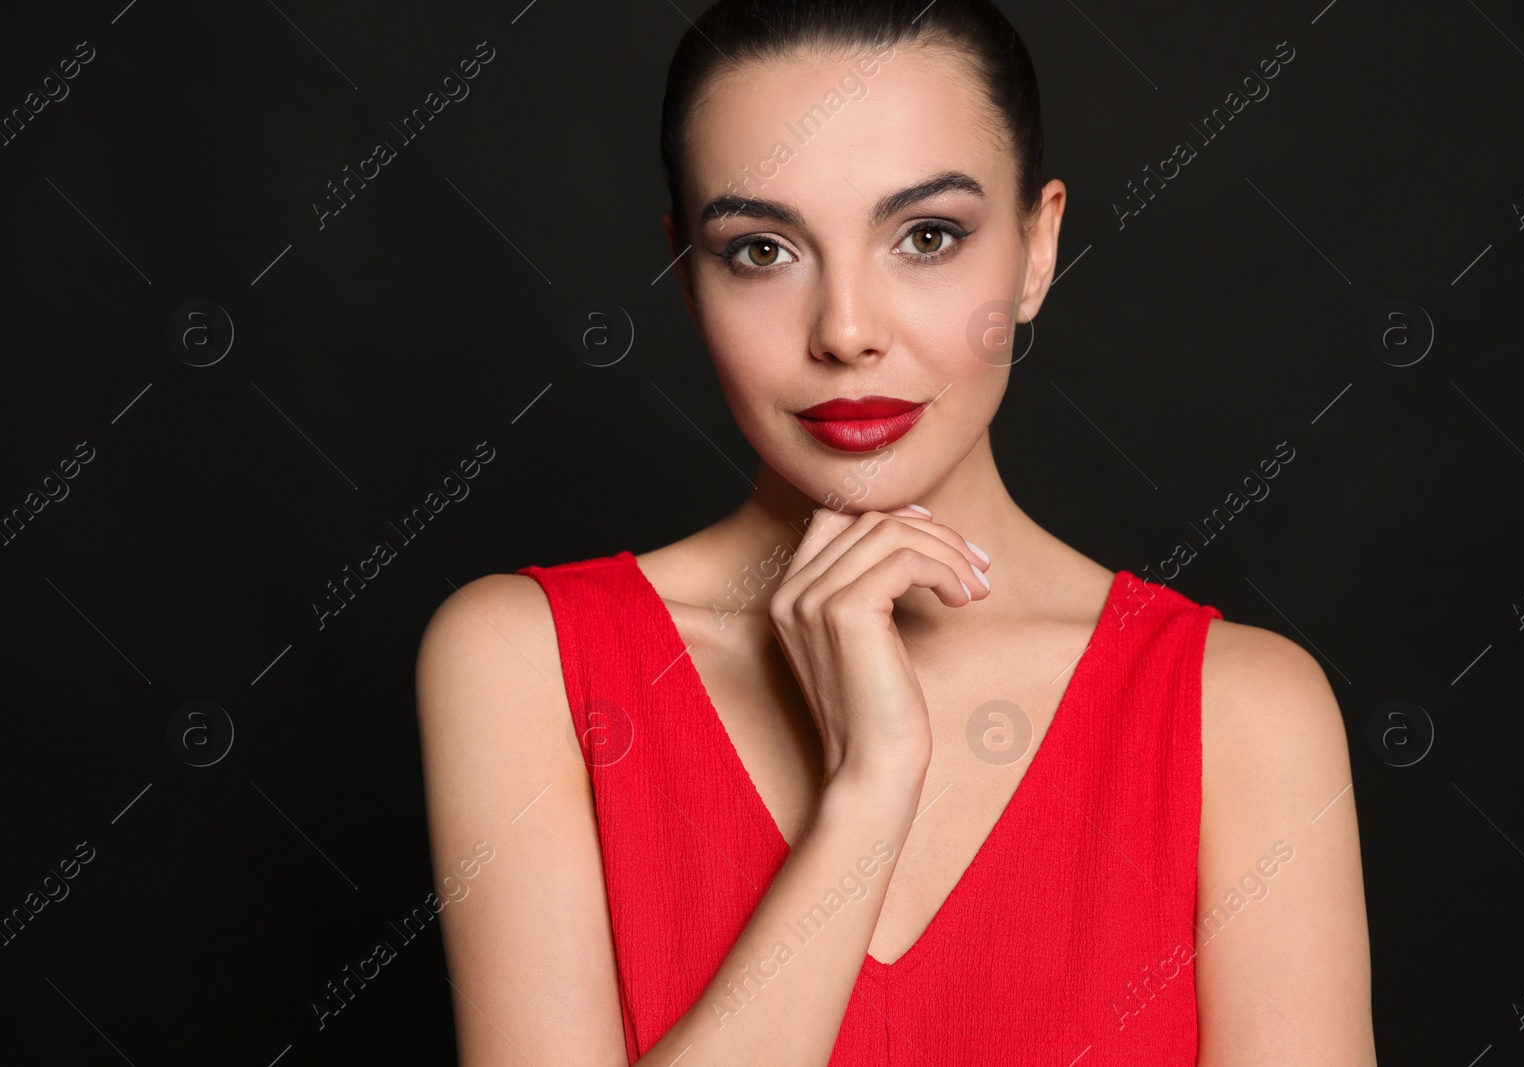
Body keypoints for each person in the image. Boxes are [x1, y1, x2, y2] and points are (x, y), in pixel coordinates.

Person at [413, 1, 1376, 1063]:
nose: (846, 331)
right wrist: (867, 794)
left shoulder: (1238, 710)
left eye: (926, 236)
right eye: (762, 250)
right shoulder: (529, 660)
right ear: (685, 276)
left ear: (1035, 247)